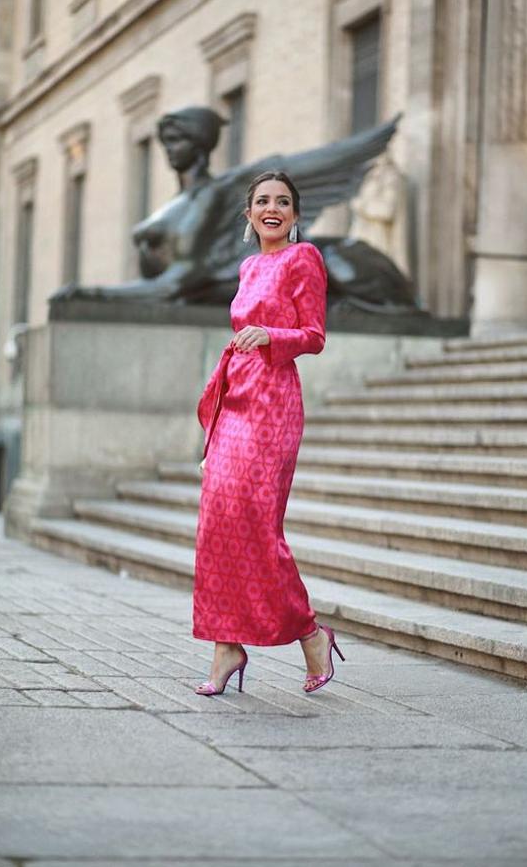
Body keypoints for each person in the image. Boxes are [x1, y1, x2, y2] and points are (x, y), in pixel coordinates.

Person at [193, 170, 345, 695]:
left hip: (275, 402)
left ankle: (309, 634)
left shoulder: (303, 259)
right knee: (217, 521)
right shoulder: (249, 264)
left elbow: (315, 335)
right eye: (262, 201)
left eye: (283, 201)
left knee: (258, 528)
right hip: (234, 398)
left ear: (295, 215)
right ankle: (225, 646)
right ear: (249, 214)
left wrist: (269, 334)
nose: (272, 207)